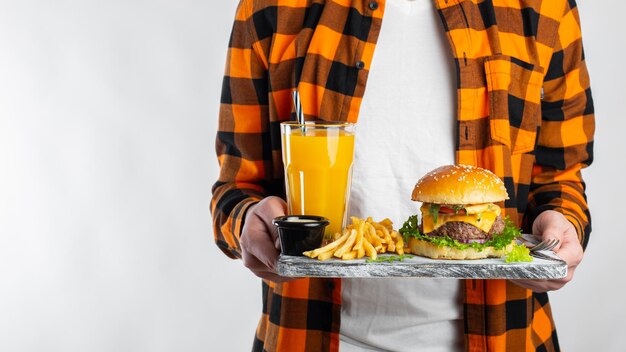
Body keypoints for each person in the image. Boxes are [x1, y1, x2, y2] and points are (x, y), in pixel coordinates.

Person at [211, 0, 594, 351]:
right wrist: (247, 220)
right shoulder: (273, 7)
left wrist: (562, 223)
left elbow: (560, 175)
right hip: (309, 334)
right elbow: (235, 186)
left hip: (505, 334)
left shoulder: (545, 7)